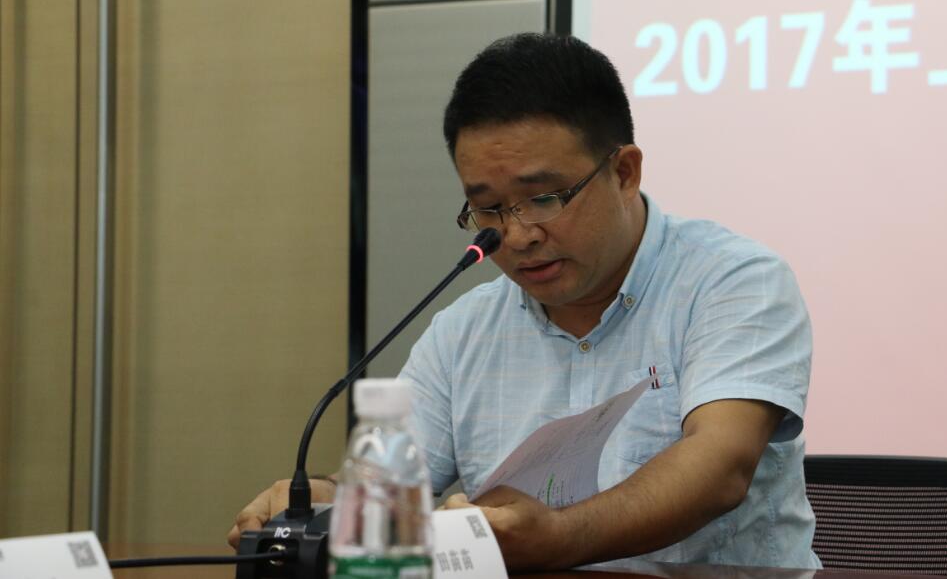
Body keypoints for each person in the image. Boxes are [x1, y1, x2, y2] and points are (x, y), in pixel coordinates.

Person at [229, 33, 819, 572]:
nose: (516, 236)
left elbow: (720, 467)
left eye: (542, 199)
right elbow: (387, 490)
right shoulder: (462, 332)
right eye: (488, 208)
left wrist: (560, 538)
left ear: (624, 172)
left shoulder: (734, 282)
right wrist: (323, 502)